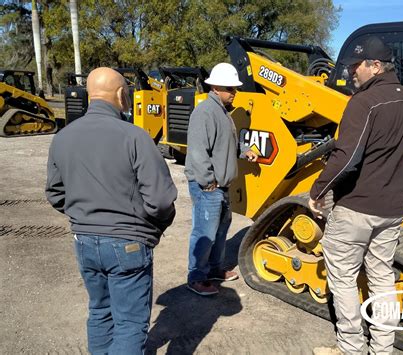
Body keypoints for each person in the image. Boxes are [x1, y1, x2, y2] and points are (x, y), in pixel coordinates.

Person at [309, 36, 403, 355]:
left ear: (375, 66)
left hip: (357, 209)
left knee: (344, 279)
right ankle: (383, 349)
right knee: (381, 280)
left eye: (356, 66)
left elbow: (347, 158)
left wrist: (317, 190)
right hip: (392, 211)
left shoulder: (363, 103)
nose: (352, 72)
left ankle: (351, 348)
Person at [45, 67, 177, 355]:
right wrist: (152, 230)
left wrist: (84, 217)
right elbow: (162, 200)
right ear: (121, 95)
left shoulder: (63, 137)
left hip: (84, 242)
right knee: (129, 323)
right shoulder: (135, 137)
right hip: (128, 244)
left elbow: (55, 193)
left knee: (100, 311)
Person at [184, 62, 258, 296]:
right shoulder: (204, 112)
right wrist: (207, 182)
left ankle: (214, 269)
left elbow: (225, 145)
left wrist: (243, 151)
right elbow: (197, 151)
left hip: (221, 184)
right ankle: (196, 277)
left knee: (220, 229)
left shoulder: (223, 113)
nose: (234, 93)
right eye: (231, 89)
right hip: (208, 185)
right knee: (205, 231)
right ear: (216, 87)